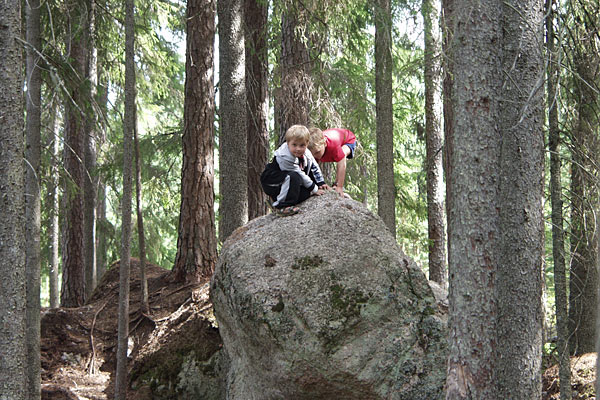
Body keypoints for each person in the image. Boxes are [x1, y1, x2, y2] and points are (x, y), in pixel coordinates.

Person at [261, 125, 329, 216]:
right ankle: (282, 206)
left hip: (287, 182)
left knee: (306, 193)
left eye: (302, 145)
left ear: (307, 144)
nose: (298, 149)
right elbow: (299, 174)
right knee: (294, 177)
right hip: (273, 182)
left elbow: (314, 166)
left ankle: (282, 200)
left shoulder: (306, 152)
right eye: (294, 145)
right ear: (288, 143)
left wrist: (320, 183)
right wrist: (315, 188)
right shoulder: (285, 156)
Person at [308, 127, 357, 196]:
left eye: (317, 152)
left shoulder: (333, 144)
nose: (314, 156)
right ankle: (334, 185)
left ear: (324, 144)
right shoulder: (315, 151)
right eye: (311, 154)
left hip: (348, 140)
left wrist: (340, 187)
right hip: (331, 144)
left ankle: (338, 185)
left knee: (342, 154)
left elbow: (342, 164)